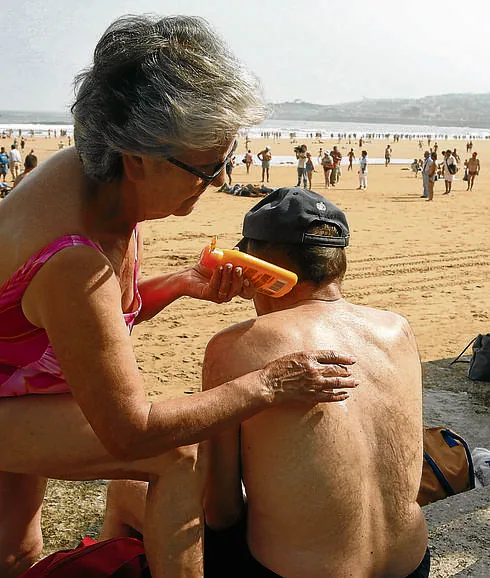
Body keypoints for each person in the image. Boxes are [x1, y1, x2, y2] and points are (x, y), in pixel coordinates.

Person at [0, 16, 357, 578]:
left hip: (15, 379)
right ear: (138, 157)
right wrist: (268, 383)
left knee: (13, 550)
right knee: (172, 455)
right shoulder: (72, 257)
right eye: (208, 165)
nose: (218, 180)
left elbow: (86, 321)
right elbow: (132, 431)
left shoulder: (99, 182)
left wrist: (182, 282)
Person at [102, 188, 429, 578]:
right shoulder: (397, 330)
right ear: (337, 263)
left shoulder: (234, 346)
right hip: (411, 565)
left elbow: (222, 511)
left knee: (125, 488)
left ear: (257, 266)